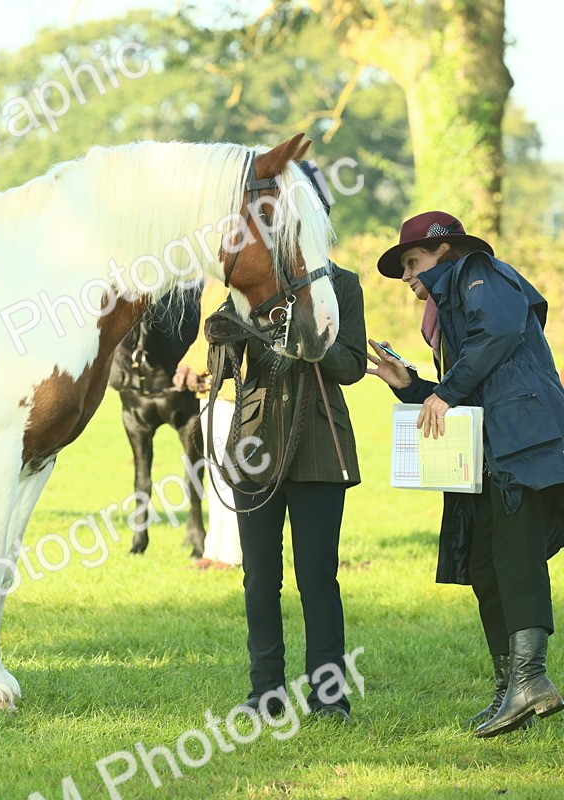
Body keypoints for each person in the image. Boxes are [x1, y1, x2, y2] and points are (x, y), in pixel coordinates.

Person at [368, 211, 564, 737]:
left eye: (413, 262)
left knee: (514, 556)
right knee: (482, 562)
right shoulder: (449, 307)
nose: (408, 275)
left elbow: (498, 335)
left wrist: (444, 391)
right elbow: (462, 389)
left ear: (444, 252)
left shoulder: (480, 272)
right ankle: (511, 691)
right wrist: (409, 385)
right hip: (491, 448)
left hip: (525, 439)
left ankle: (531, 680)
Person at [217, 162, 368, 722]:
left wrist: (309, 344)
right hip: (255, 443)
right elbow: (228, 363)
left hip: (321, 447)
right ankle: (266, 690)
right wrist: (227, 336)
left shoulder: (345, 285)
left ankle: (329, 693)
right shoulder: (252, 281)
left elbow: (352, 364)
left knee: (317, 577)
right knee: (260, 579)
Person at [173, 364, 242, 570]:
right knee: (215, 476)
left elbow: (220, 339)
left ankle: (231, 554)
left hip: (231, 392)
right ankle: (212, 550)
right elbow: (200, 342)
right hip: (210, 391)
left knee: (230, 477)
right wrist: (185, 367)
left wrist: (194, 367)